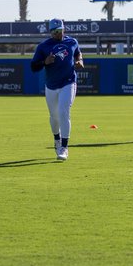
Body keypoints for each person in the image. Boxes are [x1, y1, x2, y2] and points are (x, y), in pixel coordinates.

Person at [31, 19, 83, 161]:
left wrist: (80, 61)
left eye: (59, 30)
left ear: (63, 29)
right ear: (50, 32)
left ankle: (64, 147)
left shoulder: (72, 42)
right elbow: (33, 66)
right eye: (54, 31)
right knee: (54, 116)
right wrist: (44, 62)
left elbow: (77, 53)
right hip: (51, 85)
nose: (58, 34)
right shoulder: (44, 46)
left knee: (63, 112)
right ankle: (57, 139)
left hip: (69, 82)